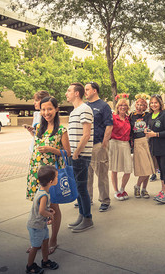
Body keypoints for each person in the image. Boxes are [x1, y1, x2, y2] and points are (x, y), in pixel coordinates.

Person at [27, 96, 71, 253]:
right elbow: (40, 144)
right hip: (36, 172)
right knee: (40, 207)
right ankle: (38, 241)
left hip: (52, 176)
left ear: (56, 109)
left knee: (53, 207)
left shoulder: (61, 130)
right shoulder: (39, 127)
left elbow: (67, 153)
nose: (46, 112)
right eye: (43, 109)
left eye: (49, 109)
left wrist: (52, 150)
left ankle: (53, 239)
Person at [66, 83, 94, 232]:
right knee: (77, 188)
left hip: (81, 156)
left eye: (69, 91)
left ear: (77, 93)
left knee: (82, 188)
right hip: (74, 155)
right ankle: (82, 215)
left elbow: (86, 134)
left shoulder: (85, 109)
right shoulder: (74, 111)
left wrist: (76, 153)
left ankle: (88, 218)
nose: (66, 93)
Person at [84, 82, 113, 212]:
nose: (85, 92)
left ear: (94, 91)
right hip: (85, 146)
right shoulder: (84, 106)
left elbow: (109, 125)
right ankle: (87, 199)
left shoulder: (103, 106)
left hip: (98, 145)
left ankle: (105, 200)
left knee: (101, 174)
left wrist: (104, 144)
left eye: (87, 89)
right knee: (87, 175)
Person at [25, 165, 59, 274]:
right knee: (35, 247)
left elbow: (43, 208)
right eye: (56, 177)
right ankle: (30, 267)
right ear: (50, 181)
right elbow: (41, 211)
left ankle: (45, 261)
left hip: (41, 225)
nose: (57, 179)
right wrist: (51, 215)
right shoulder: (44, 195)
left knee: (45, 242)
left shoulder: (42, 190)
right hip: (36, 226)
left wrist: (49, 210)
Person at [145, 95, 165, 203]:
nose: (153, 105)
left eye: (155, 103)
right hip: (155, 147)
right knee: (160, 169)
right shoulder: (150, 115)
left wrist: (155, 134)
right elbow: (150, 128)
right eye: (151, 103)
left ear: (160, 103)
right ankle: (162, 190)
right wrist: (147, 132)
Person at [130, 94, 155, 199]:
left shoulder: (148, 115)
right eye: (138, 104)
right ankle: (138, 186)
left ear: (145, 107)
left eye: (142, 105)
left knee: (149, 167)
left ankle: (144, 189)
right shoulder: (131, 116)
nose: (139, 107)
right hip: (137, 142)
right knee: (145, 167)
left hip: (148, 141)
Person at [109, 98, 133, 201]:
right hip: (114, 143)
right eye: (120, 105)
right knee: (114, 169)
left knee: (128, 169)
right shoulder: (113, 118)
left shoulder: (129, 119)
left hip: (125, 144)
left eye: (125, 105)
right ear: (117, 107)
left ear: (127, 108)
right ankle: (116, 191)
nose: (123, 107)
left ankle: (122, 189)